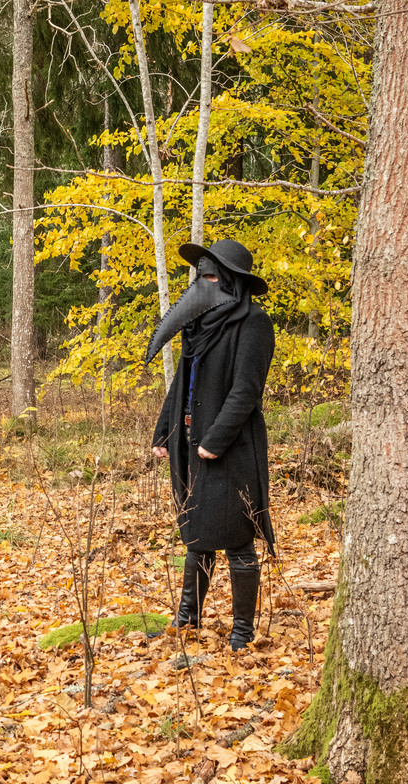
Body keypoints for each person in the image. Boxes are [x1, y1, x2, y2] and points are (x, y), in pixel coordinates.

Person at [147, 239, 275, 651]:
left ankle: (242, 631)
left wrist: (215, 441)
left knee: (238, 539)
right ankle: (188, 619)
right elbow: (181, 386)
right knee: (197, 535)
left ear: (232, 282)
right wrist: (165, 433)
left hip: (231, 449)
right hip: (190, 443)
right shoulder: (199, 326)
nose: (204, 282)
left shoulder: (253, 323)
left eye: (212, 275)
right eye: (200, 275)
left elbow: (246, 391)